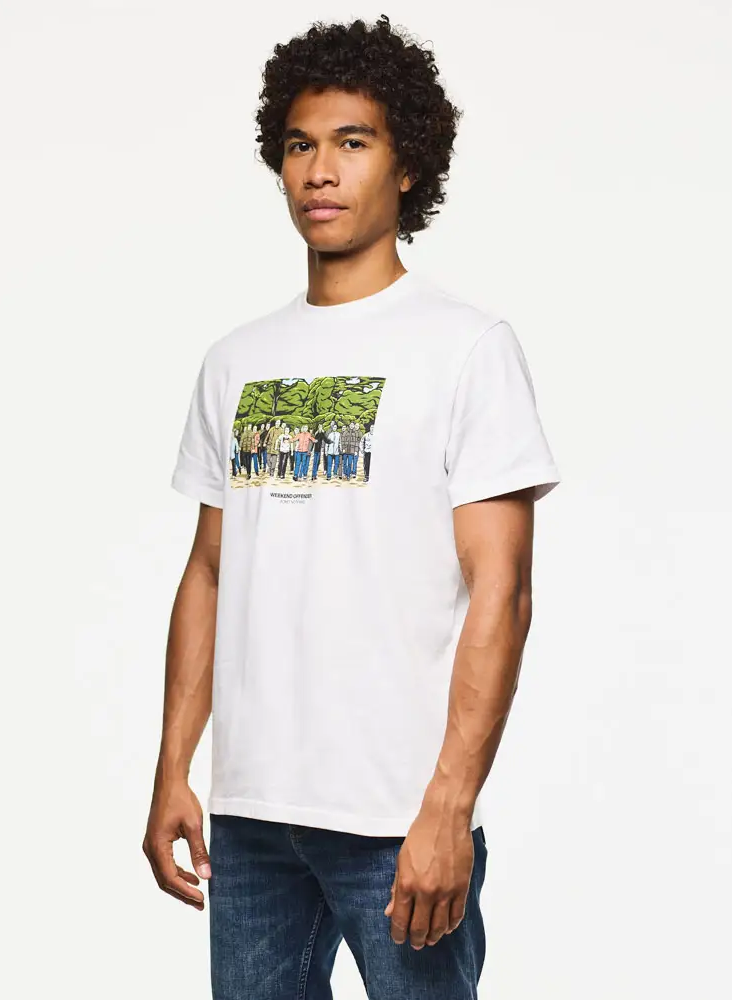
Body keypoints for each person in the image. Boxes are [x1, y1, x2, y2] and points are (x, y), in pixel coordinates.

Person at [145, 15, 561, 1000]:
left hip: (396, 818)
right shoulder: (236, 360)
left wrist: (448, 806)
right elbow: (209, 570)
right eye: (300, 145)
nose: (320, 171)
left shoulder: (466, 348)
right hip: (252, 817)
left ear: (407, 165)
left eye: (352, 142)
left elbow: (501, 593)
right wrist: (173, 768)